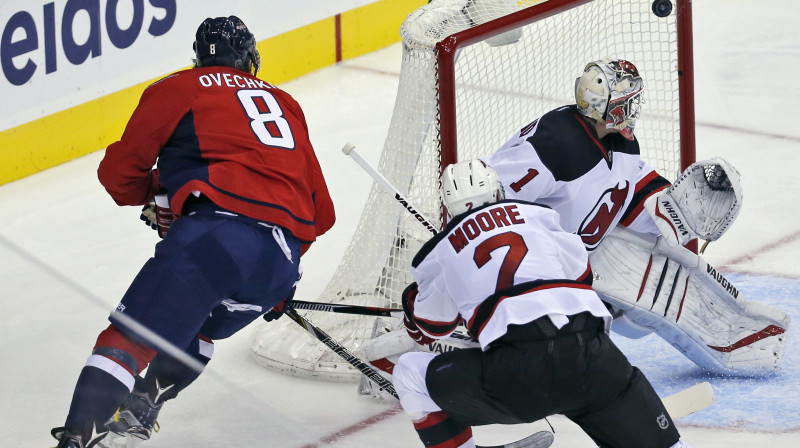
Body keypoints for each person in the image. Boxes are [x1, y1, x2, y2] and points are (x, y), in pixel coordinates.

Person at [362, 59, 788, 385]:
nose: (634, 107)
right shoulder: (553, 145)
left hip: (587, 254)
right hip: (547, 261)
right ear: (605, 106)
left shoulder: (619, 138)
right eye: (627, 100)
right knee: (484, 321)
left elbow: (626, 185)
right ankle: (391, 352)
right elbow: (487, 193)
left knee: (646, 316)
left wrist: (668, 209)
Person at [50, 15, 335, 448]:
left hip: (214, 239)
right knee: (197, 326)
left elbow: (118, 174)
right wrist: (280, 276)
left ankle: (76, 439)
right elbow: (321, 213)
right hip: (280, 260)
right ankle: (143, 406)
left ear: (199, 58)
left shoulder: (178, 87)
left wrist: (156, 190)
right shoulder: (286, 102)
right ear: (251, 60)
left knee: (129, 337)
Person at [392, 159, 691, 448]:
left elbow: (431, 326)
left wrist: (425, 305)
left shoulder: (441, 251)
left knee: (409, 372)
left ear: (449, 209)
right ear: (498, 192)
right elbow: (582, 275)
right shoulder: (539, 216)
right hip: (595, 358)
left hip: (518, 375)